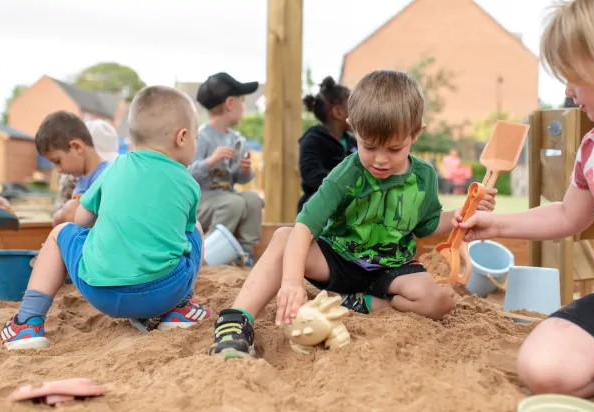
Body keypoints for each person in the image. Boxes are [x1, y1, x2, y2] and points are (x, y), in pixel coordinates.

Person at [452, 1, 594, 410]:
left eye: (574, 78)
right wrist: (495, 224)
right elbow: (566, 214)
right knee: (541, 367)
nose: (568, 92)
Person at [208, 69, 497, 358]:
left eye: (394, 149)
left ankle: (362, 303)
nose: (381, 159)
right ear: (353, 129)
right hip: (338, 259)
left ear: (416, 133)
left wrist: (460, 214)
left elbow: (427, 225)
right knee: (284, 237)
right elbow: (304, 228)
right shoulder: (346, 175)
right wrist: (292, 282)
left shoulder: (424, 177)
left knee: (440, 301)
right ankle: (236, 320)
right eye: (369, 146)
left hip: (391, 267)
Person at [0, 85, 213, 350]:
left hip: (101, 293)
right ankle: (180, 308)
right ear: (182, 137)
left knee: (60, 233)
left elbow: (80, 220)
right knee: (195, 231)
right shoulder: (188, 182)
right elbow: (180, 234)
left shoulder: (114, 169)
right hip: (163, 292)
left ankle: (27, 322)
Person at [188, 72, 264, 267]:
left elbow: (238, 178)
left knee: (254, 200)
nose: (244, 107)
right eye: (242, 101)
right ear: (230, 103)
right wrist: (211, 161)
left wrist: (245, 171)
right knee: (233, 203)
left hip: (227, 196)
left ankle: (245, 252)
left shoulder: (235, 138)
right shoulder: (202, 137)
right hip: (203, 201)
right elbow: (186, 174)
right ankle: (207, 255)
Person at [37, 114, 118, 226]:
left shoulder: (105, 176)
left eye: (57, 161)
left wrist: (63, 214)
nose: (58, 170)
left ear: (77, 147)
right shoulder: (80, 177)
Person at [297, 76, 357, 213]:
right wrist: (344, 187)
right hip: (316, 207)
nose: (359, 112)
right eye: (353, 106)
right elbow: (311, 175)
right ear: (338, 112)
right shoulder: (313, 139)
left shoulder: (353, 142)